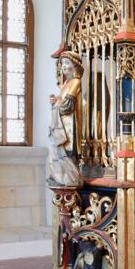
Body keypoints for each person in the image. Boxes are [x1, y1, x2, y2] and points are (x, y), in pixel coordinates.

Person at [48, 51, 83, 186]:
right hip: (61, 125)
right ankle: (61, 177)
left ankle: (71, 178)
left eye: (67, 63)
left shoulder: (75, 82)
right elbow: (61, 102)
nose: (63, 66)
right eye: (62, 63)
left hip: (69, 127)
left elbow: (67, 106)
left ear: (75, 66)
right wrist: (54, 100)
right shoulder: (65, 84)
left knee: (68, 153)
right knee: (59, 151)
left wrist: (57, 102)